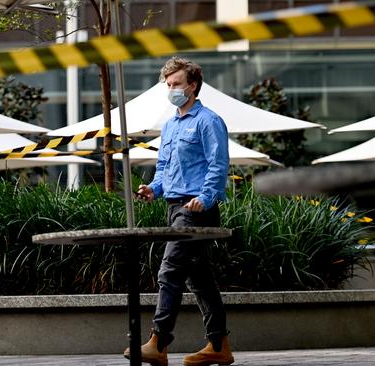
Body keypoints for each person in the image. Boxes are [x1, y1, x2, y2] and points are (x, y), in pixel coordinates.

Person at [124, 57, 233, 366]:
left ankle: (158, 343)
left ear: (193, 85)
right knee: (200, 280)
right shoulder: (170, 125)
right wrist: (152, 189)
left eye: (176, 84)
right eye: (168, 85)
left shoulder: (208, 121)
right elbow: (164, 169)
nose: (171, 90)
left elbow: (218, 165)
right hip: (175, 208)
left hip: (195, 209)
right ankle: (219, 345)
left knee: (169, 271)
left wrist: (206, 197)